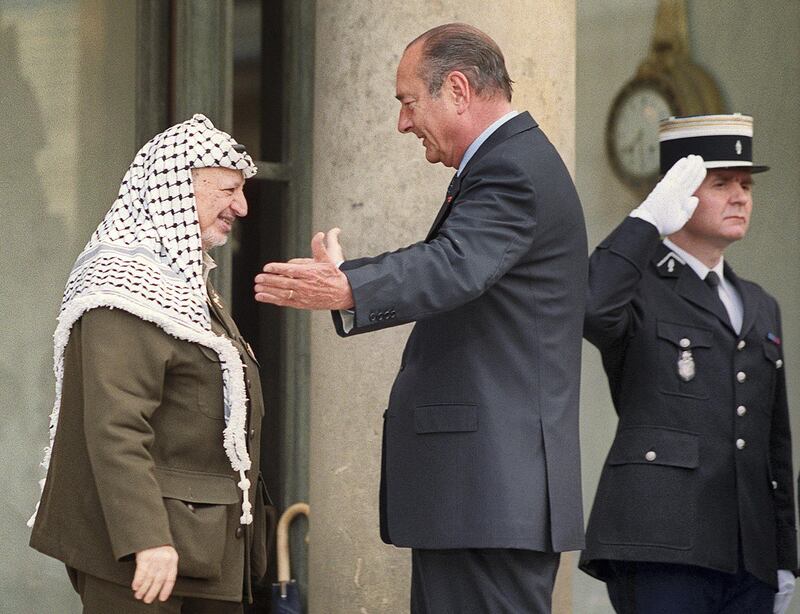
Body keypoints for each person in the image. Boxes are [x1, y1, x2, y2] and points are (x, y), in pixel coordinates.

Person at [253, 23, 587, 613]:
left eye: (409, 103)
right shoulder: (510, 163)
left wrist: (348, 286)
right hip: (478, 500)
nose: (403, 123)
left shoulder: (512, 169)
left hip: (488, 499)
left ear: (456, 90)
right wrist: (349, 279)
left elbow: (455, 265)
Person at [29, 114, 271, 613]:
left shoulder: (180, 286)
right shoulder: (124, 286)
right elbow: (114, 425)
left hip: (201, 548)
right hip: (151, 557)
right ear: (177, 189)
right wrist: (147, 539)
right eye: (228, 189)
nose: (241, 206)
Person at [579, 114, 797, 614]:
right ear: (678, 191)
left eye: (745, 184)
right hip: (660, 544)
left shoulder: (760, 305)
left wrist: (785, 554)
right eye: (721, 183)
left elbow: (773, 442)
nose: (741, 196)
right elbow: (591, 307)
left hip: (749, 553)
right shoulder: (637, 286)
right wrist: (646, 222)